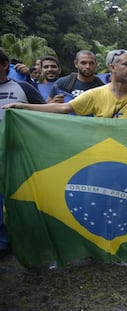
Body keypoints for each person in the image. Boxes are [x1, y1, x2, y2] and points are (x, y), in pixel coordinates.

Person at [2, 49, 127, 122]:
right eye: (126, 64)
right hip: (99, 153)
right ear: (112, 67)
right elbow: (64, 108)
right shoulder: (96, 94)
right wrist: (22, 106)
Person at [0, 47, 45, 256]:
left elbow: (45, 115)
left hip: (17, 154)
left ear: (4, 65)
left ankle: (26, 238)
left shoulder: (23, 88)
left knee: (21, 197)